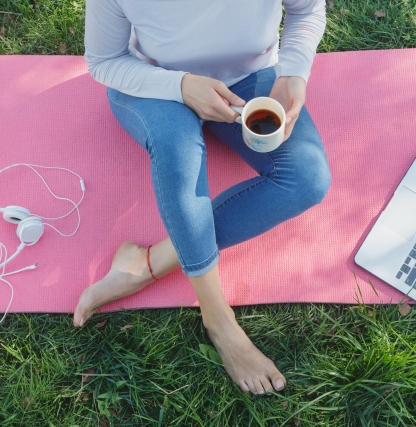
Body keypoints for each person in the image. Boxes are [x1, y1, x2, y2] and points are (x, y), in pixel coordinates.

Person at [75, 0, 331, 395]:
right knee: (177, 153)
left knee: (307, 178)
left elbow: (307, 9)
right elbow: (105, 61)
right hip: (154, 82)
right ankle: (219, 321)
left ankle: (147, 263)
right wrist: (179, 85)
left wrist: (295, 71)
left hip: (250, 79)